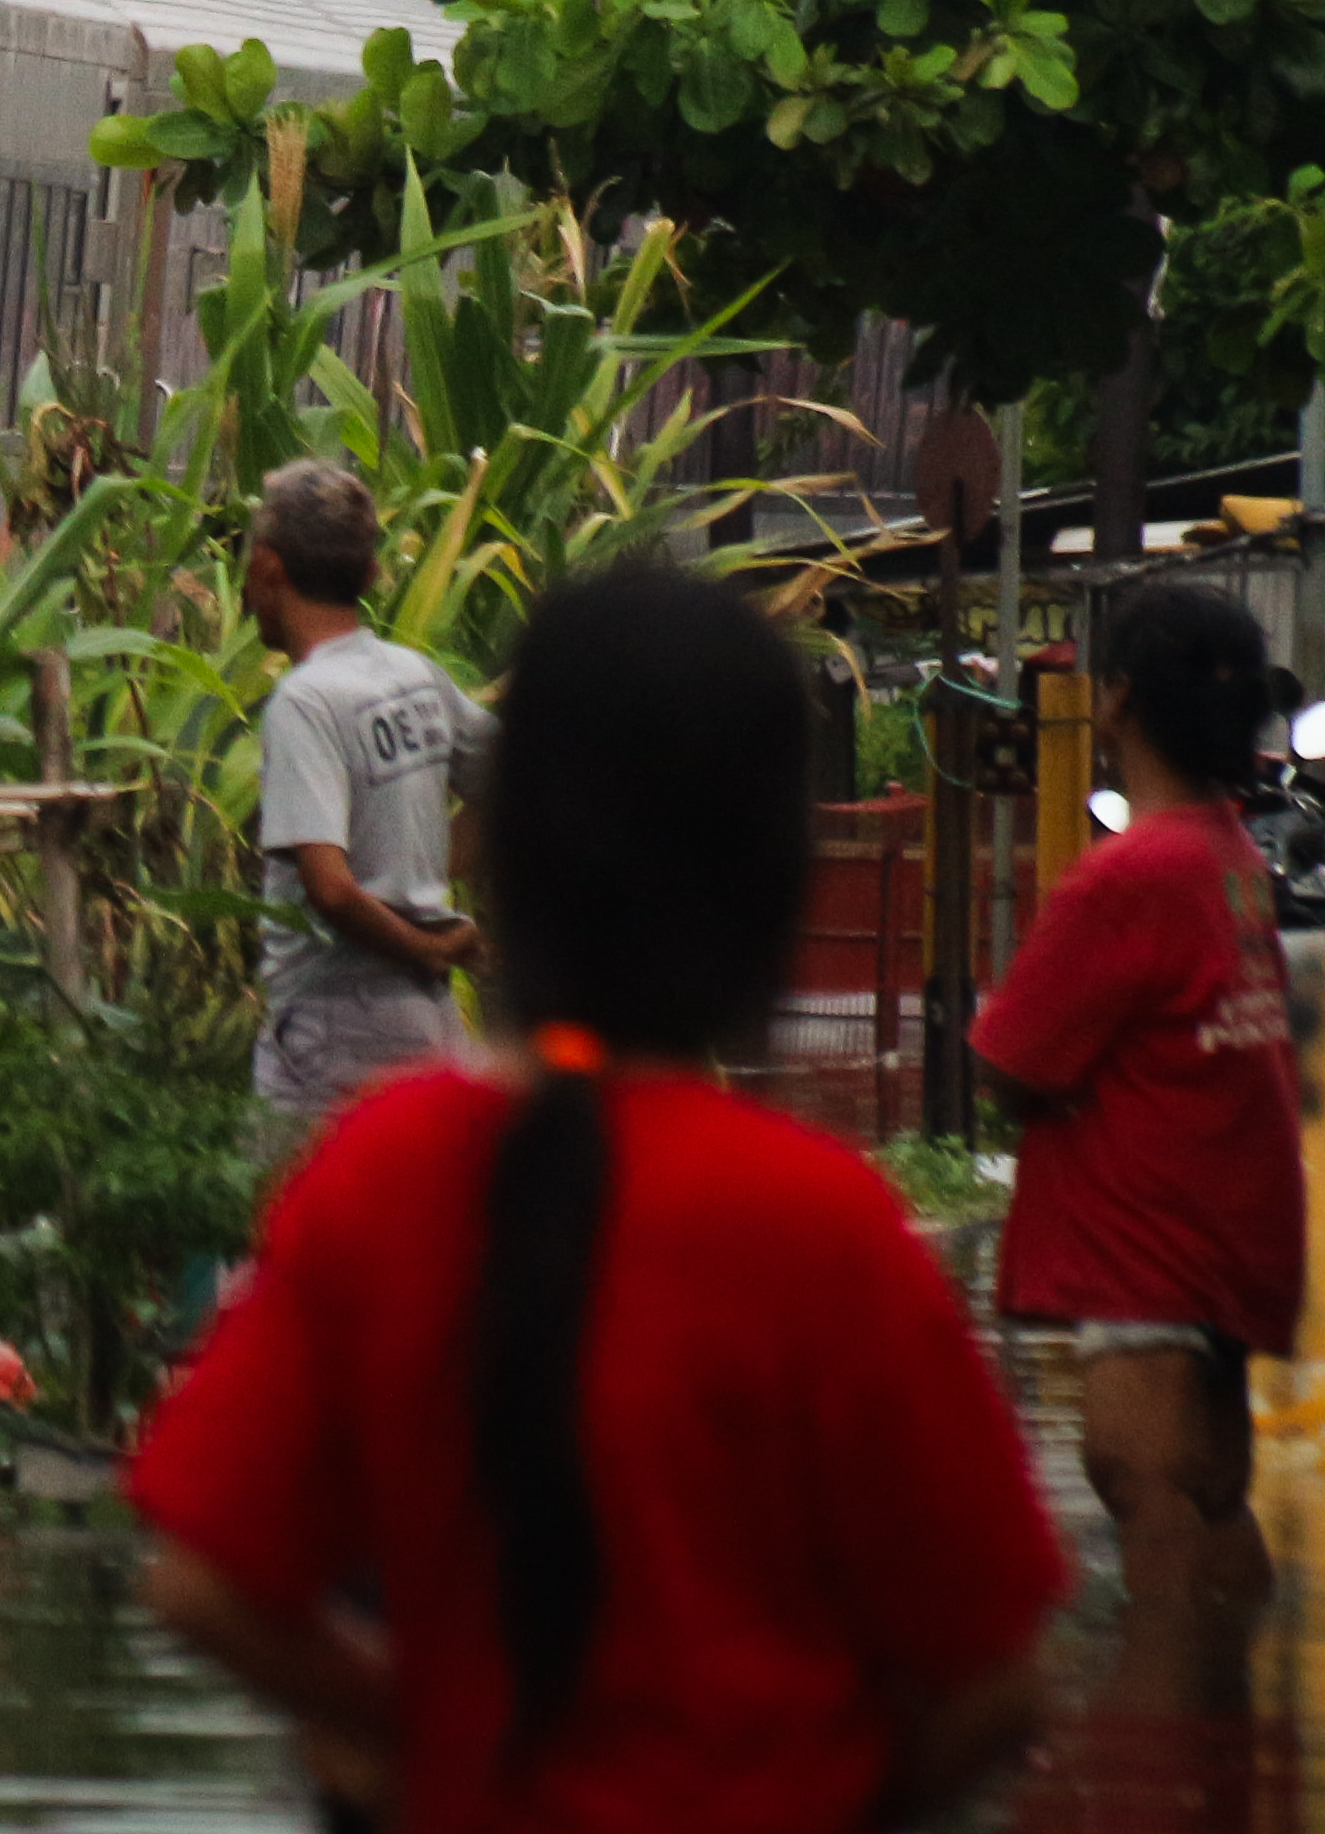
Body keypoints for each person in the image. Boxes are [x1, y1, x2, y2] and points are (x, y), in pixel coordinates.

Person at [131, 565, 1060, 1831]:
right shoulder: (819, 1223)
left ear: (511, 842)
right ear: (772, 867)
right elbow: (998, 1681)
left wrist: (428, 1741)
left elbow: (200, 1582)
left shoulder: (383, 1173)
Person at [976, 579, 1305, 1716]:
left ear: (1112, 700)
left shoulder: (1127, 873)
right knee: (1211, 1496)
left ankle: (1160, 1761)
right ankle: (1236, 1739)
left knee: (1143, 1482)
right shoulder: (1225, 853)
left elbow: (1011, 1066)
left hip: (1148, 1238)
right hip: (1227, 1226)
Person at [244, 459, 483, 1162]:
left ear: (267, 568)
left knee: (289, 1232)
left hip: (332, 1027)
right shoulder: (415, 676)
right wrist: (431, 877)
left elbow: (330, 887)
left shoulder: (305, 703)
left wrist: (427, 945)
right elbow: (518, 778)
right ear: (370, 573)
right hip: (429, 1022)